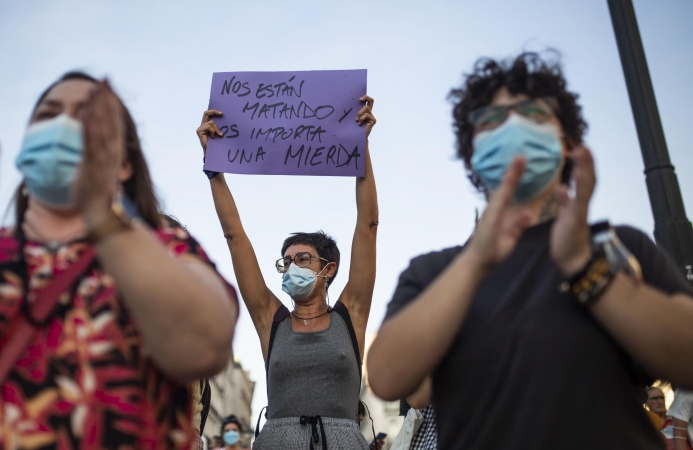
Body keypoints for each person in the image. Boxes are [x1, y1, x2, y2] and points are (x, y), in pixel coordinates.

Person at [367, 52, 693, 450]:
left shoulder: (620, 247)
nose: (512, 128)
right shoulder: (435, 271)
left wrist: (587, 271)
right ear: (472, 153)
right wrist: (474, 263)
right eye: (491, 120)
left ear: (567, 141)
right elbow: (387, 376)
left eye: (532, 114)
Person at [0, 73, 238, 449]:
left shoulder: (167, 250)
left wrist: (103, 213)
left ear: (124, 165)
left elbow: (205, 347)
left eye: (88, 118)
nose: (64, 126)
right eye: (48, 115)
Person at [196, 96, 378, 449]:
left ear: (329, 269)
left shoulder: (350, 315)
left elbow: (368, 225)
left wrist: (361, 146)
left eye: (303, 259)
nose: (292, 266)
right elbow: (235, 238)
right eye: (286, 260)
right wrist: (213, 167)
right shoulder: (271, 321)